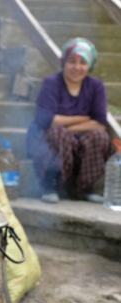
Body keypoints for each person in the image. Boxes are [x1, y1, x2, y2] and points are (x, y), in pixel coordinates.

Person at [26, 37, 114, 204]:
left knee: (99, 136)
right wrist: (83, 118)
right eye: (72, 61)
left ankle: (84, 188)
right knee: (59, 134)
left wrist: (65, 126)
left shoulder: (96, 86)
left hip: (77, 142)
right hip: (47, 141)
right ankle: (50, 185)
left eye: (83, 62)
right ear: (63, 63)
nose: (77, 67)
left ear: (90, 65)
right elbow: (46, 120)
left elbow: (100, 122)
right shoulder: (51, 83)